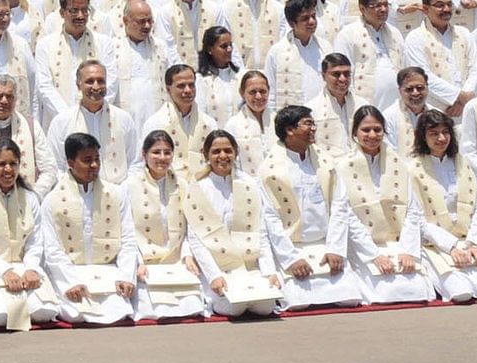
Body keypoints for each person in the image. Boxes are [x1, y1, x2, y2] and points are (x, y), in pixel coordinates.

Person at [256, 106, 365, 310]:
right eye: (308, 123)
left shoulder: (325, 162)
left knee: (349, 299)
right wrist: (291, 258)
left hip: (326, 244)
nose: (314, 128)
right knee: (299, 304)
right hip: (292, 247)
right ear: (289, 130)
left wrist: (335, 249)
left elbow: (340, 206)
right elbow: (270, 218)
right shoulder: (270, 170)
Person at [0, 138, 64, 330]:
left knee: (45, 312)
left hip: (23, 268)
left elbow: (35, 241)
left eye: (13, 164)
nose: (8, 170)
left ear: (19, 165)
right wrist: (4, 271)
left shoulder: (31, 198)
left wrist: (31, 268)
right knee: (2, 316)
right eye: (1, 164)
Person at [183, 130, 287, 317]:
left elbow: (260, 232)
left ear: (236, 153)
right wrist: (214, 276)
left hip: (248, 265)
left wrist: (269, 271)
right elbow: (196, 239)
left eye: (227, 150)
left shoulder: (248, 183)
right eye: (216, 152)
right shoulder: (198, 188)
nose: (222, 156)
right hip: (219, 267)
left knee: (265, 307)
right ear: (205, 154)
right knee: (234, 308)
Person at [338, 107, 434, 304]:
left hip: (399, 242)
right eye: (365, 130)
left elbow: (412, 211)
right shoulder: (342, 166)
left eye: (377, 129)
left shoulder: (399, 163)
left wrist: (407, 250)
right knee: (385, 292)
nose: (372, 135)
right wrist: (373, 255)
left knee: (415, 290)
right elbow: (346, 214)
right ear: (354, 132)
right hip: (363, 246)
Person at [409, 110, 477, 302]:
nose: (441, 138)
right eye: (434, 133)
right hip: (435, 244)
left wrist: (474, 243)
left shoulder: (463, 163)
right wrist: (451, 247)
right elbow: (416, 218)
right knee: (461, 293)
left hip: (468, 240)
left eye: (446, 132)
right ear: (422, 136)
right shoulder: (412, 169)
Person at [43, 133, 139, 325]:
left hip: (109, 272)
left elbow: (128, 239)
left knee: (119, 309)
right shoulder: (51, 200)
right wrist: (70, 282)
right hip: (71, 274)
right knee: (75, 312)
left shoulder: (116, 194)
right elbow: (51, 250)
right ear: (70, 162)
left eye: (96, 159)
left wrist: (126, 276)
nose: (94, 165)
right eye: (87, 160)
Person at [127, 131, 207, 320]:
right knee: (154, 310)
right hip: (146, 261)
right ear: (144, 154)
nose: (162, 158)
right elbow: (127, 231)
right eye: (156, 152)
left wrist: (187, 255)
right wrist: (137, 262)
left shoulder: (182, 185)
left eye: (167, 152)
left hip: (176, 259)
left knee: (191, 306)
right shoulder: (130, 186)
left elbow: (190, 228)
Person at [47, 59, 134, 185]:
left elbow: (135, 162)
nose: (96, 87)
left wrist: (122, 192)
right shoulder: (62, 122)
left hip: (118, 194)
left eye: (101, 81)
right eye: (89, 81)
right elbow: (55, 166)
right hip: (76, 194)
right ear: (78, 85)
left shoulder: (123, 119)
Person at [401, 0, 477, 116]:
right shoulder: (415, 37)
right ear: (425, 9)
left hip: (467, 107)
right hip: (435, 108)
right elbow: (422, 76)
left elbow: (476, 68)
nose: (446, 9)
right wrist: (457, 96)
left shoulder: (464, 33)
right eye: (440, 5)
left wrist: (464, 100)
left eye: (449, 4)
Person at [224, 71, 275, 175]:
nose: (258, 96)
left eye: (263, 91)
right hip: (248, 186)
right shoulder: (233, 125)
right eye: (252, 92)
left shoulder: (278, 120)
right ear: (242, 93)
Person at [195, 27, 242, 124]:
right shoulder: (201, 80)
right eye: (223, 46)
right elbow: (201, 114)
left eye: (230, 45)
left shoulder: (239, 76)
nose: (229, 49)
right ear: (210, 49)